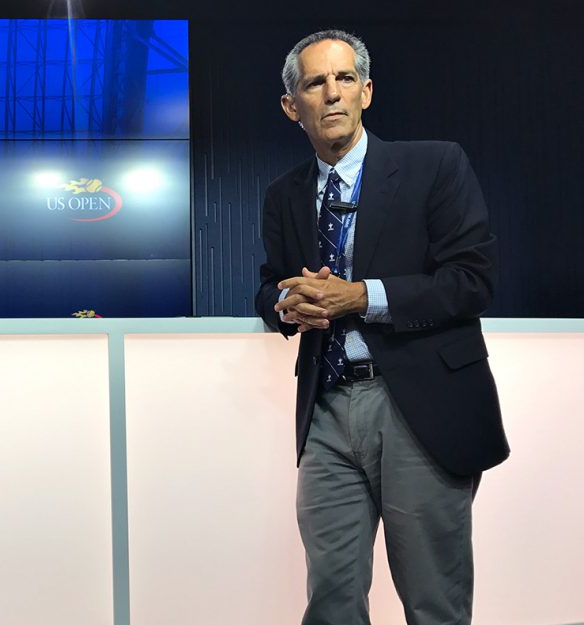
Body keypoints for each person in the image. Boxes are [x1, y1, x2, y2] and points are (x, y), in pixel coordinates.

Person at [255, 30, 509, 625]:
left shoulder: (435, 165)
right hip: (326, 411)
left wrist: (363, 297)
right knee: (332, 602)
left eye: (345, 79)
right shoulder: (283, 196)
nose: (332, 93)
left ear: (366, 92)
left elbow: (472, 280)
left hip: (418, 406)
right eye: (315, 83)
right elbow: (269, 284)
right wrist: (284, 307)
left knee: (433, 604)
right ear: (294, 106)